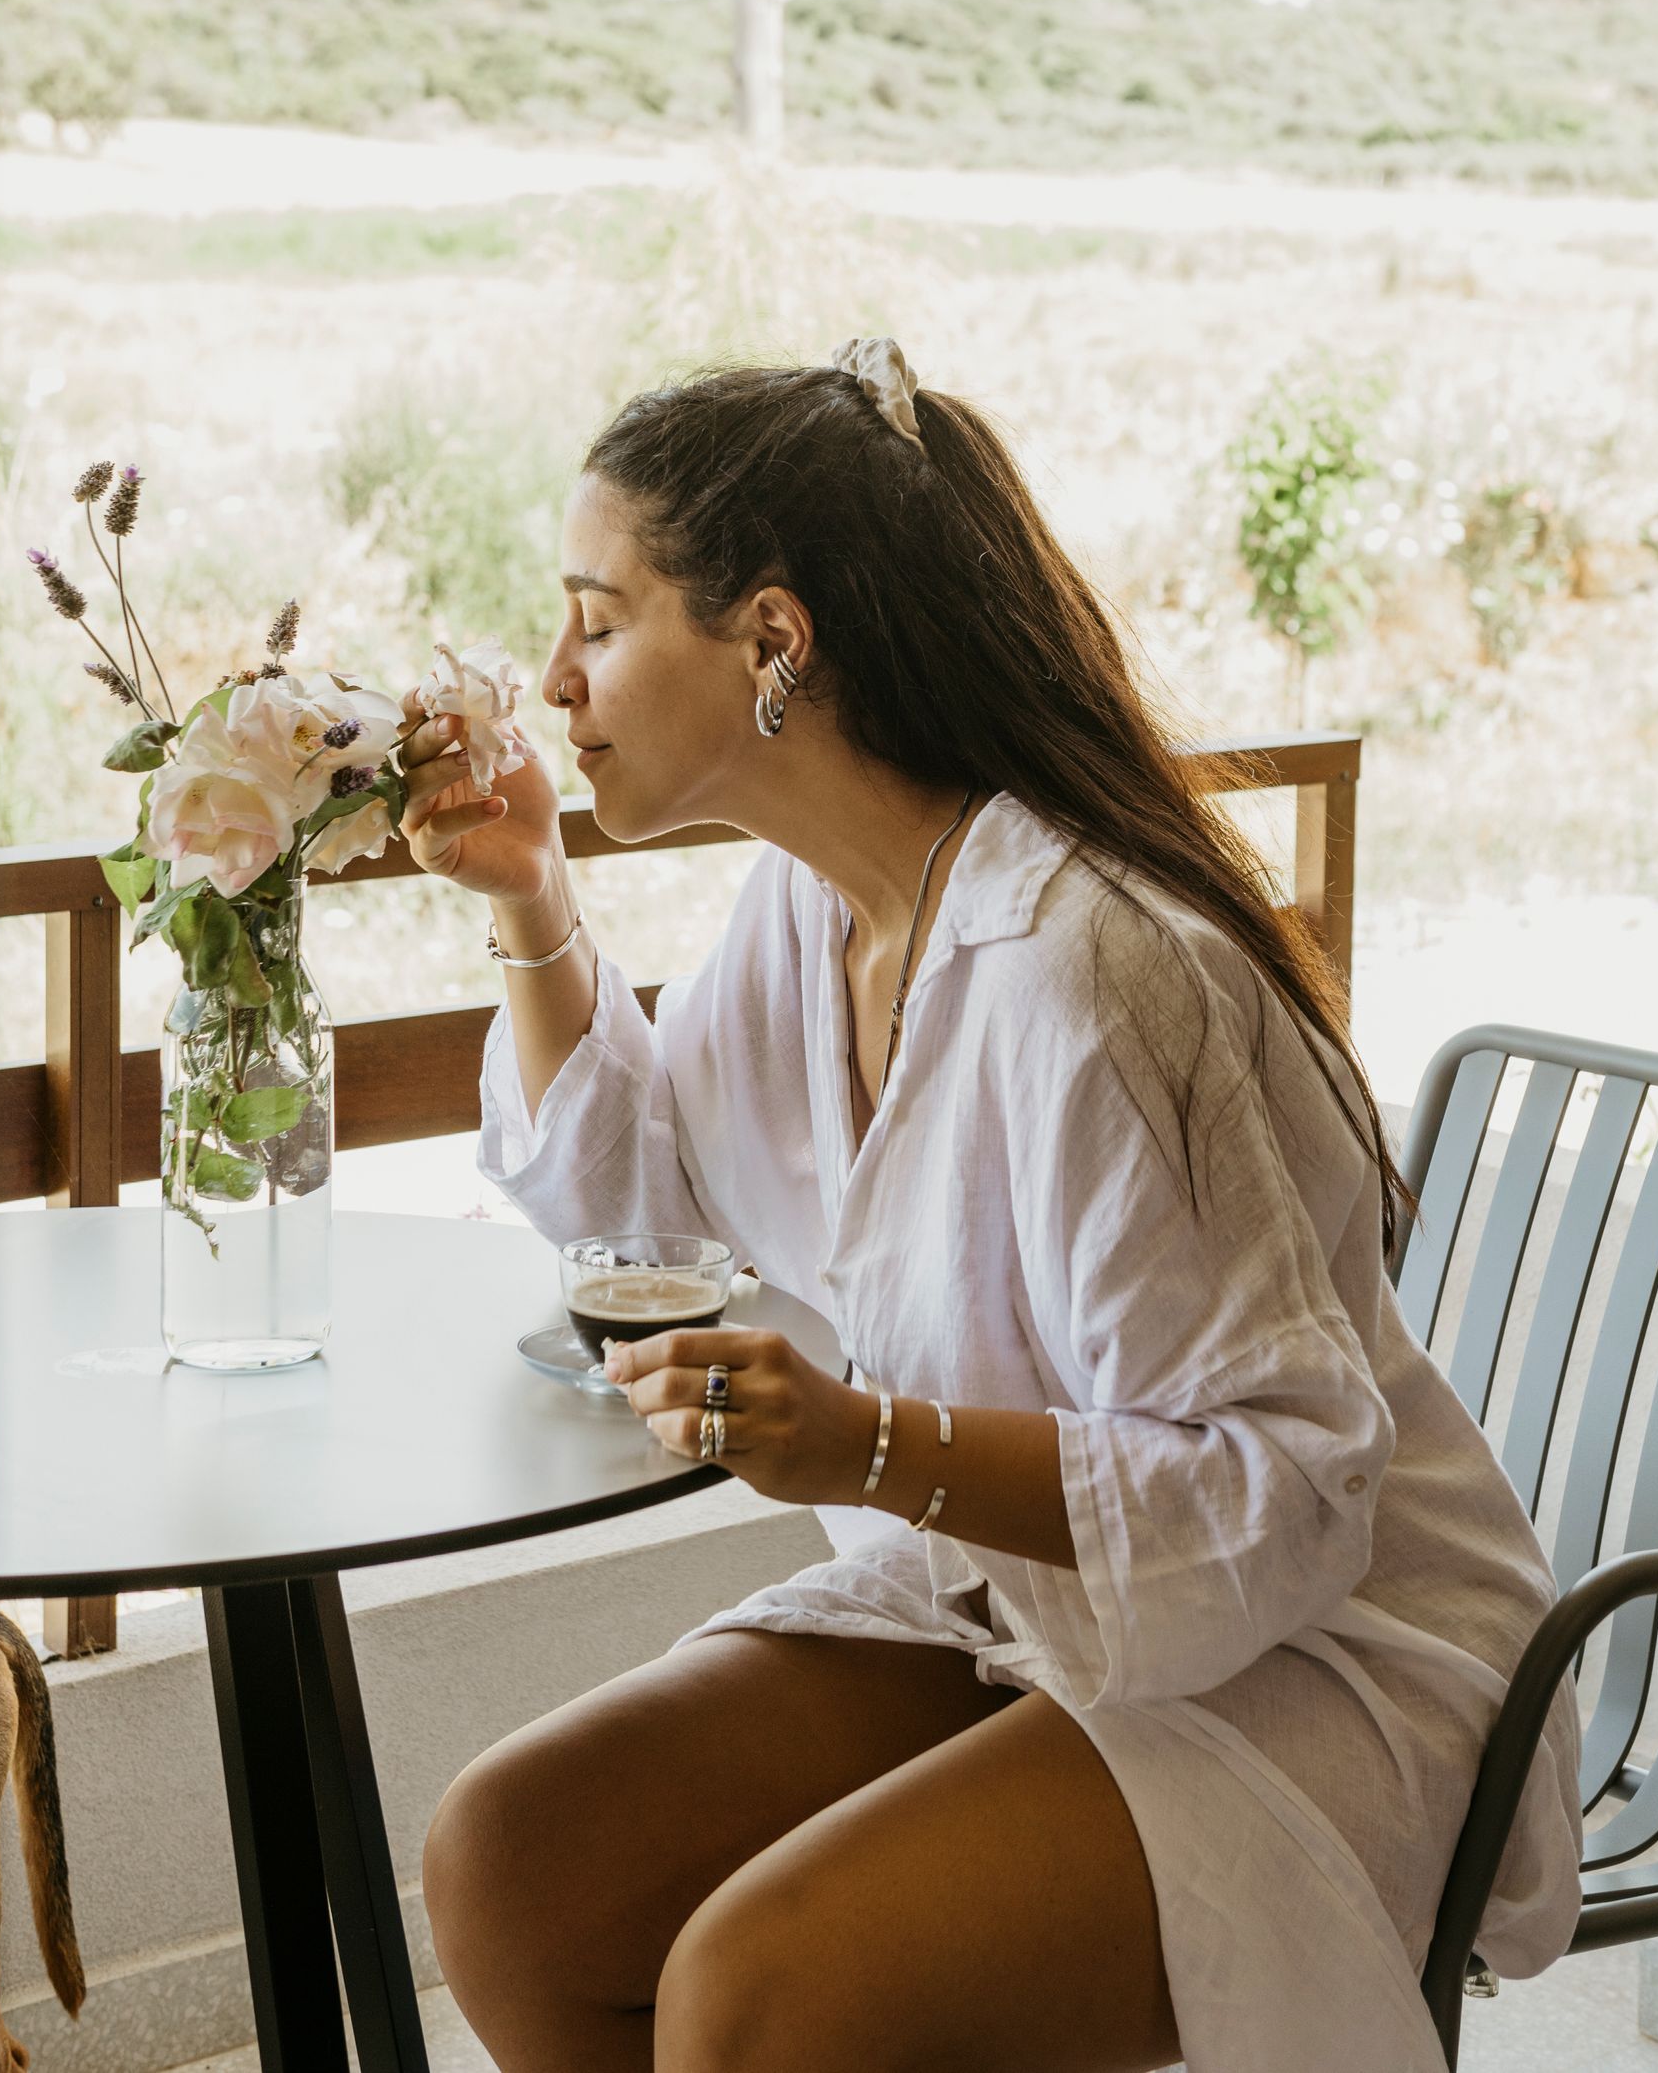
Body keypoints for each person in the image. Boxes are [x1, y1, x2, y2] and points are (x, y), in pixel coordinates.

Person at [408, 338, 1582, 2073]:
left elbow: (1288, 1487)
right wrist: (527, 890)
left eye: (598, 616)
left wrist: (875, 1443)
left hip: (1326, 1650)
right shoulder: (818, 915)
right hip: (1026, 1594)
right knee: (511, 1867)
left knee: (756, 1993)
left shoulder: (1082, 969)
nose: (553, 678)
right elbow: (642, 1211)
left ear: (773, 641)